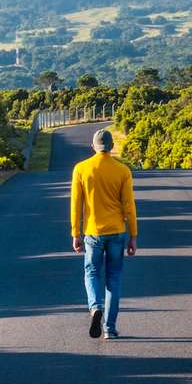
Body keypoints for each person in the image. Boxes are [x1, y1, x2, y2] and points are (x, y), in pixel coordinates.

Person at [71, 127, 137, 339]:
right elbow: (129, 206)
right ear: (112, 146)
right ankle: (109, 328)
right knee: (114, 278)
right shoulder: (123, 170)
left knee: (91, 273)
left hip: (93, 232)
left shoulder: (81, 169)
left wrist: (75, 233)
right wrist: (133, 235)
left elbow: (76, 205)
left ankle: (95, 306)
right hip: (117, 231)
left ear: (92, 146)